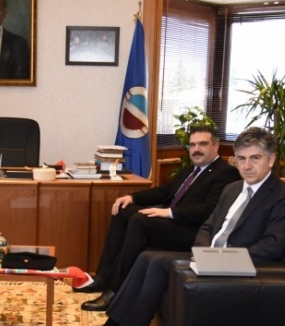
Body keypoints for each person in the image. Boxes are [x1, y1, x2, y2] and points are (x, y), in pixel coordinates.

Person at [68, 127, 285, 326]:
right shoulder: (233, 189)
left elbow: (273, 246)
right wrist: (202, 252)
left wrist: (222, 258)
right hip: (207, 258)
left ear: (271, 159)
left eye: (255, 158)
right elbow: (208, 226)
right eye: (242, 159)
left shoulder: (283, 196)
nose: (247, 166)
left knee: (156, 262)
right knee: (147, 257)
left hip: (237, 267)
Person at [77, 126, 241, 313]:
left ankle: (116, 291)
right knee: (123, 210)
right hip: (173, 223)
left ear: (215, 146)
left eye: (202, 144)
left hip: (190, 231)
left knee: (140, 221)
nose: (196, 149)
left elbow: (210, 210)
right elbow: (165, 191)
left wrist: (169, 213)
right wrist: (133, 197)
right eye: (193, 145)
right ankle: (103, 277)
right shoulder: (191, 170)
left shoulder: (225, 173)